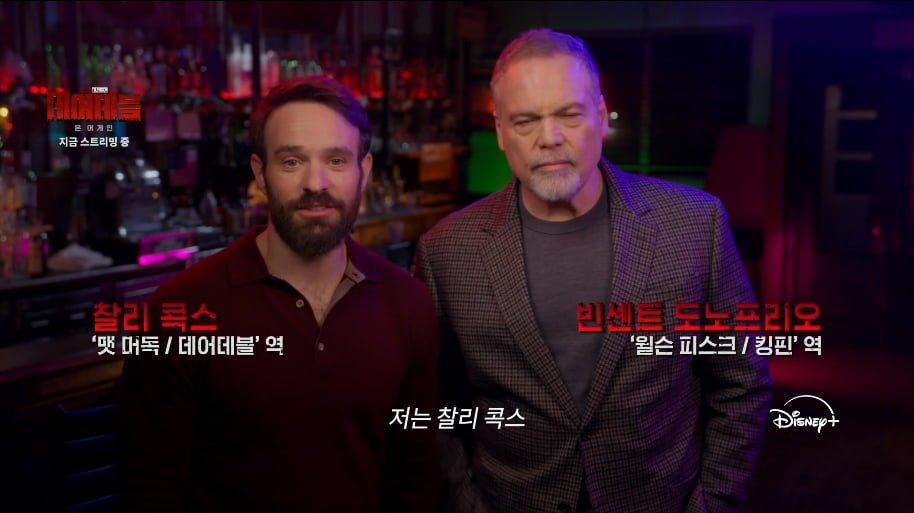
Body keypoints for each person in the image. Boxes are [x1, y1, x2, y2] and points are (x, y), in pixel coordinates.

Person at [413, 29, 772, 513]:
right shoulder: (446, 251)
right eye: (525, 121)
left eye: (569, 114)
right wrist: (465, 502)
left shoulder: (695, 225)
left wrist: (712, 503)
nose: (549, 138)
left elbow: (742, 382)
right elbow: (432, 404)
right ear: (500, 131)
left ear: (601, 117)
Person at [117, 76, 439, 513]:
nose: (315, 183)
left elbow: (415, 477)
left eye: (336, 160)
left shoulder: (408, 304)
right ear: (260, 174)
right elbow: (150, 491)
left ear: (363, 172)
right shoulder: (180, 311)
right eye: (291, 161)